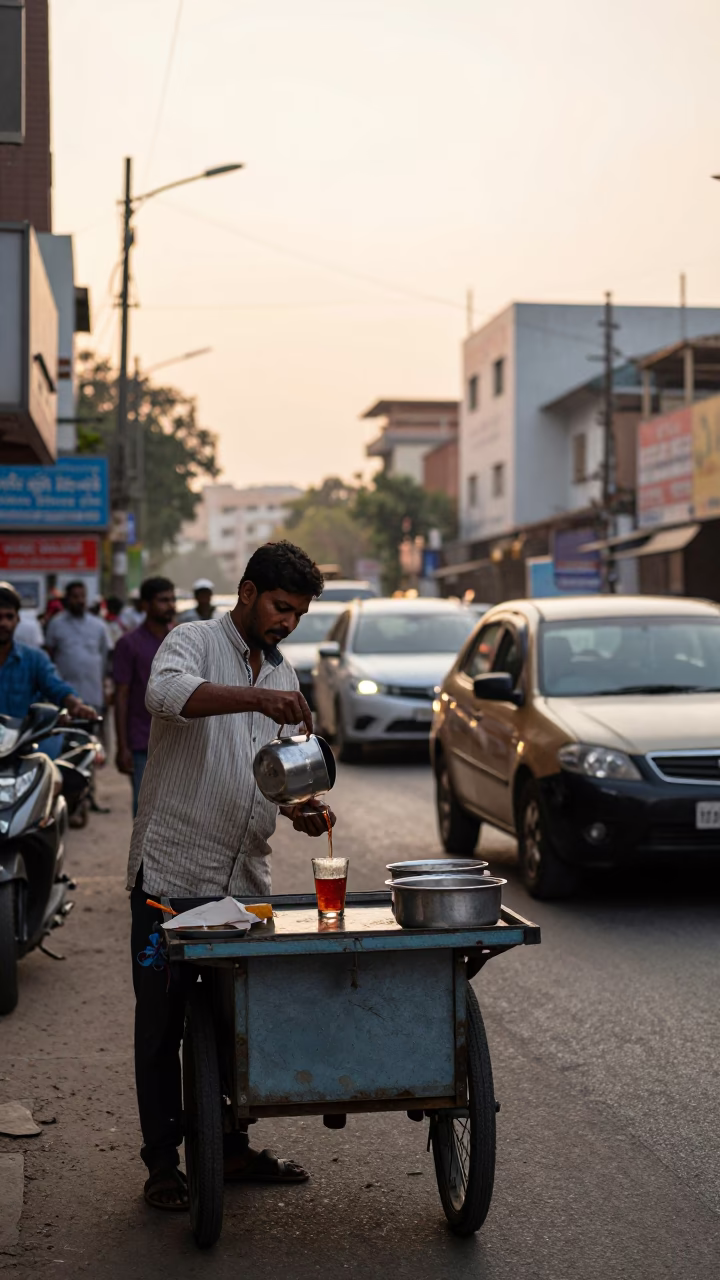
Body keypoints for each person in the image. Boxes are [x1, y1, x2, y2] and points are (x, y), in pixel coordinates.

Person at [128, 541, 335, 1211]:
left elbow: (277, 777)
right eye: (281, 608)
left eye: (299, 615)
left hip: (243, 880)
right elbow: (164, 696)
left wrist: (301, 810)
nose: (287, 624)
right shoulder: (191, 641)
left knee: (237, 1022)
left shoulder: (283, 675)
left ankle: (233, 1147)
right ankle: (163, 1163)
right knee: (161, 1025)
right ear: (246, 593)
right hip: (172, 871)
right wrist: (252, 697)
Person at [113, 577, 176, 816]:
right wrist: (122, 746)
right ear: (146, 605)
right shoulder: (128, 644)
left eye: (172, 600)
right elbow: (121, 696)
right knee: (145, 811)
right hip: (142, 741)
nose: (170, 605)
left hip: (178, 740)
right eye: (163, 600)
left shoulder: (179, 642)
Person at [0, 583, 96, 735]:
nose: (3, 623)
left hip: (20, 748)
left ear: (17, 619)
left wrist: (75, 705)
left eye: (9, 617)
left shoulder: (34, 659)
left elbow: (56, 687)